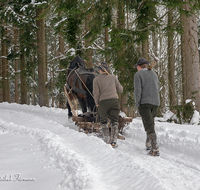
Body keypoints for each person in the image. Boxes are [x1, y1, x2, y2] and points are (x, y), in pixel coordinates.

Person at [93, 62, 123, 148]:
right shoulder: (113, 77)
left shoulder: (96, 80)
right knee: (114, 122)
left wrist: (97, 103)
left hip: (103, 103)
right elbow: (120, 90)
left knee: (103, 121)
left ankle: (106, 140)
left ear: (99, 70)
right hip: (114, 102)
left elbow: (96, 93)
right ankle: (113, 141)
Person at [134, 57, 160, 156]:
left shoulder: (138, 75)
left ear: (139, 66)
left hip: (145, 103)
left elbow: (137, 91)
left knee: (149, 125)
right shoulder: (154, 74)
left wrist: (137, 104)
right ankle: (149, 143)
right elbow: (157, 88)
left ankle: (155, 148)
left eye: (136, 66)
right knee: (150, 123)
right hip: (155, 103)